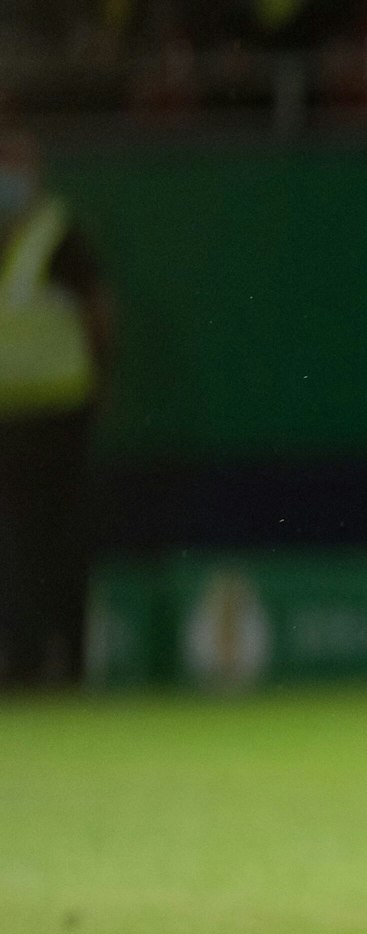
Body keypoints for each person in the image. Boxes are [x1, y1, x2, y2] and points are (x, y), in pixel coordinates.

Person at [0, 130, 113, 687]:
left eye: (15, 165)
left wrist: (100, 378)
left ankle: (70, 660)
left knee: (61, 539)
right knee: (13, 545)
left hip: (59, 413)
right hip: (7, 417)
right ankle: (20, 661)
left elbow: (99, 313)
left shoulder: (60, 238)